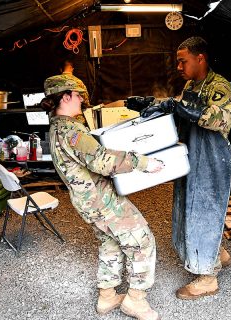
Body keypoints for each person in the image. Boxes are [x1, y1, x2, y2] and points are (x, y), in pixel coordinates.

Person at [41, 74, 164, 320]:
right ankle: (136, 301)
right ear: (66, 96)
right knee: (141, 241)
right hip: (101, 200)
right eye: (78, 96)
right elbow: (101, 161)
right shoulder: (70, 131)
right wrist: (143, 162)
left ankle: (107, 296)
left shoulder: (56, 128)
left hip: (87, 200)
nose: (81, 101)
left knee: (111, 242)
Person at [126, 36, 231, 300]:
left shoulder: (219, 86)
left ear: (200, 59)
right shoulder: (191, 84)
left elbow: (217, 118)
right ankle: (216, 250)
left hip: (210, 155)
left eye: (182, 61)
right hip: (192, 152)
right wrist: (152, 104)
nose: (178, 66)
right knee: (189, 204)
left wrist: (178, 106)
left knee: (204, 207)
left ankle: (208, 277)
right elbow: (181, 108)